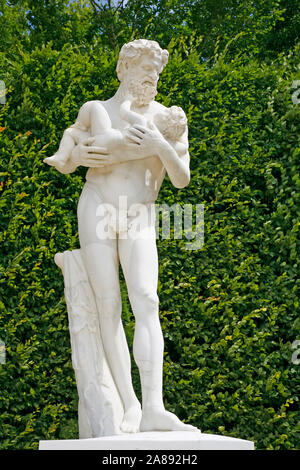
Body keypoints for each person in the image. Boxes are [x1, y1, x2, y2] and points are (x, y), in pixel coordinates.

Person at [46, 39, 198, 434]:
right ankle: (129, 404)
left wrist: (160, 145)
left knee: (147, 300)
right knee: (108, 305)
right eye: (143, 68)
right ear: (123, 69)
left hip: (139, 214)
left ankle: (154, 407)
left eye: (156, 70)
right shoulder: (103, 109)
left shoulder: (170, 118)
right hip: (96, 205)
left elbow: (182, 179)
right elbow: (71, 145)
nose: (151, 76)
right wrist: (75, 157)